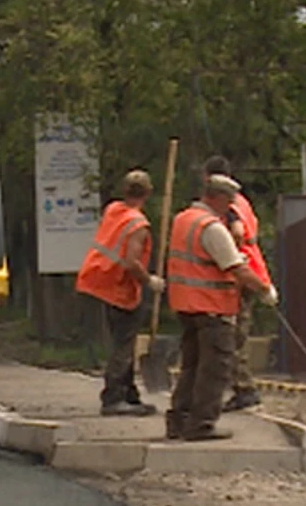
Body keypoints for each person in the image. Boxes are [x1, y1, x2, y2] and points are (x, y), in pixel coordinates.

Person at [164, 174, 275, 442]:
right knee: (214, 369)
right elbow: (235, 267)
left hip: (186, 305)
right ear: (218, 198)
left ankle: (179, 420)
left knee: (191, 366)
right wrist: (263, 290)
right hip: (211, 308)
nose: (231, 208)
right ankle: (201, 425)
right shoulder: (211, 228)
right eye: (229, 202)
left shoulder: (183, 219)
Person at [75, 170, 167, 416]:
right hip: (119, 286)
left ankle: (129, 394)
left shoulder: (114, 210)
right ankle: (114, 397)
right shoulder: (138, 224)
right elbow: (131, 262)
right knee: (123, 344)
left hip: (100, 279)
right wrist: (150, 281)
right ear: (148, 193)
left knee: (122, 339)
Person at [202, 156, 278, 411]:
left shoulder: (230, 206)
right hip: (252, 268)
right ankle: (242, 386)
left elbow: (236, 232)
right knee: (238, 332)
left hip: (243, 273)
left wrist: (227, 255)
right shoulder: (243, 201)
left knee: (235, 334)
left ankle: (244, 388)